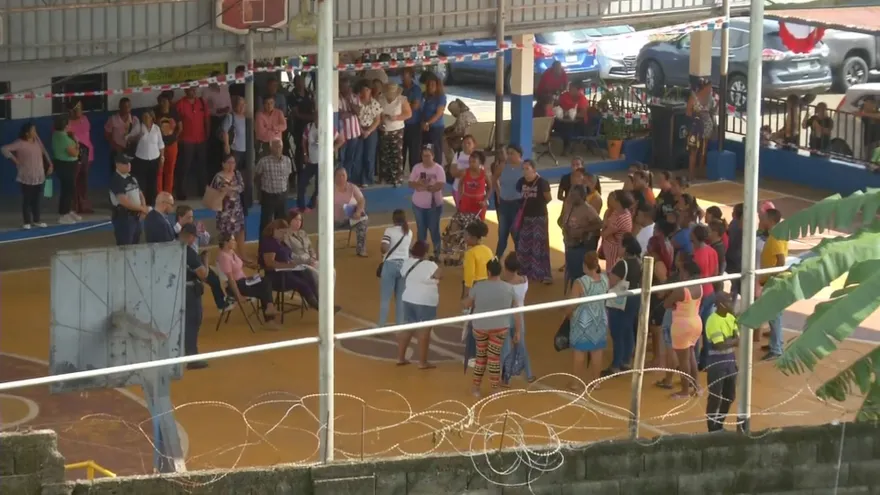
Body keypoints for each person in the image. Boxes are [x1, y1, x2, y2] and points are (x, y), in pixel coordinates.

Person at [462, 257, 521, 397]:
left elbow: (467, 304)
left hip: (480, 327)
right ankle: (495, 388)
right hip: (500, 328)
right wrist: (517, 331)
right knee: (494, 358)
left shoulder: (478, 287)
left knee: (480, 358)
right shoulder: (509, 288)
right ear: (499, 272)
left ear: (488, 272)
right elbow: (516, 312)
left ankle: (476, 387)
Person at [567, 251, 609, 391]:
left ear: (584, 265)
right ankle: (596, 382)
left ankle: (576, 383)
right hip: (600, 319)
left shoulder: (580, 282)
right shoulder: (604, 279)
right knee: (597, 351)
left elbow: (572, 304)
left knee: (579, 352)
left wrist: (566, 314)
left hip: (582, 321)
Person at [397, 240, 442, 369]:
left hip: (408, 298)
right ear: (426, 253)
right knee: (424, 331)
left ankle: (400, 357)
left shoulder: (406, 262)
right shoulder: (430, 264)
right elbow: (440, 275)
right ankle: (422, 362)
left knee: (408, 327)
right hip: (426, 301)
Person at [175, 205, 229, 311]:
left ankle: (221, 304)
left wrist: (203, 232)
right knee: (208, 277)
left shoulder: (193, 228)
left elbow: (204, 241)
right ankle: (221, 304)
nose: (191, 219)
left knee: (214, 279)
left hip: (195, 258)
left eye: (192, 217)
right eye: (189, 217)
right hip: (188, 263)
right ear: (180, 218)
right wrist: (205, 261)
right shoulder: (175, 231)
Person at [664, 254, 703, 398]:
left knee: (683, 360)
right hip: (696, 322)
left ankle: (685, 391)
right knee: (691, 356)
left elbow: (667, 303)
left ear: (686, 273)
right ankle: (696, 386)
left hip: (682, 325)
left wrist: (675, 304)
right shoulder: (699, 287)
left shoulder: (682, 289)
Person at [603, 234, 643, 376]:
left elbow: (612, 282)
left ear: (626, 248)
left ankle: (616, 365)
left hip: (620, 300)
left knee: (617, 332)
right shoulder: (639, 261)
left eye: (620, 245)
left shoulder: (622, 264)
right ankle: (626, 360)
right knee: (628, 330)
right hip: (634, 299)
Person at [217, 233, 279, 322]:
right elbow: (231, 279)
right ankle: (269, 315)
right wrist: (238, 296)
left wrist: (251, 266)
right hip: (236, 285)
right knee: (264, 288)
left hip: (244, 281)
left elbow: (238, 264)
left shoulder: (231, 252)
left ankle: (269, 310)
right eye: (233, 240)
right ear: (226, 243)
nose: (235, 242)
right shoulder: (224, 257)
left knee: (265, 280)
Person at [259, 219, 319, 309]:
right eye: (282, 232)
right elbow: (270, 263)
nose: (284, 235)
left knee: (308, 274)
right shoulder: (269, 242)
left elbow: (286, 255)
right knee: (302, 283)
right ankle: (318, 306)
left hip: (288, 272)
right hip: (277, 276)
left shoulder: (280, 241)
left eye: (285, 232)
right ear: (275, 230)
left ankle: (319, 301)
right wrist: (288, 265)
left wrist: (291, 262)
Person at [2, 122, 52, 229]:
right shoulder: (19, 143)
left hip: (39, 174)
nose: (35, 132)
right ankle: (27, 221)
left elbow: (44, 151)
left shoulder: (37, 141)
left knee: (36, 199)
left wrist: (50, 164)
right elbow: (4, 149)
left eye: (35, 130)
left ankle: (37, 220)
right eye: (33, 130)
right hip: (26, 176)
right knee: (27, 200)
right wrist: (15, 161)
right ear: (27, 133)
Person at [705, 292, 738, 432]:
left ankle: (719, 424)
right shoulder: (713, 321)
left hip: (730, 362)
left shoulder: (731, 318)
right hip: (716, 363)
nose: (731, 304)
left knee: (730, 396)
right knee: (715, 397)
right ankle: (712, 428)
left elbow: (737, 339)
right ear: (720, 304)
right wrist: (733, 341)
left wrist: (730, 341)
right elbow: (719, 345)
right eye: (728, 301)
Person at [499, 252, 535, 386]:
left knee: (505, 348)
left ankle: (505, 378)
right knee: (522, 345)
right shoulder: (524, 280)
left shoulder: (503, 284)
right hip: (520, 315)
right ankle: (529, 373)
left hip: (506, 317)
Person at [516, 160, 553, 283]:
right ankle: (525, 271)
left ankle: (542, 274)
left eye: (527, 168)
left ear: (533, 169)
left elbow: (548, 198)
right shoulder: (521, 182)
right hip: (526, 217)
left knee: (539, 245)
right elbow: (519, 196)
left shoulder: (542, 183)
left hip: (539, 217)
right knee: (524, 244)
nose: (525, 171)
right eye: (523, 168)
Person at [178, 223, 209, 370]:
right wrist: (206, 261)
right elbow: (203, 274)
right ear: (190, 236)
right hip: (190, 291)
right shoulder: (189, 252)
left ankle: (183, 353)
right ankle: (192, 356)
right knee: (192, 321)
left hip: (175, 288)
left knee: (182, 323)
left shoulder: (172, 246)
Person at [561, 184, 603, 293]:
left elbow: (599, 224)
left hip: (580, 246)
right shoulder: (569, 205)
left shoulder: (588, 209)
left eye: (574, 195)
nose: (571, 197)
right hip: (570, 244)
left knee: (579, 274)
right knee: (572, 272)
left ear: (582, 196)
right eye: (571, 194)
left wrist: (584, 229)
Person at [760, 208, 788, 360]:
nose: (761, 220)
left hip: (774, 282)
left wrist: (772, 278)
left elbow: (781, 260)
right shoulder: (776, 235)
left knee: (774, 315)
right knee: (774, 315)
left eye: (763, 218)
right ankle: (775, 343)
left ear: (770, 221)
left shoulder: (776, 238)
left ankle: (776, 349)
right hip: (774, 280)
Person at [300, 113, 344, 211]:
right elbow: (303, 141)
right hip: (312, 161)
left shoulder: (329, 128)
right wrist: (305, 154)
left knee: (318, 185)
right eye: (317, 118)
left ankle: (311, 205)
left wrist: (333, 148)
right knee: (302, 182)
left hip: (324, 162)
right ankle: (301, 206)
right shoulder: (309, 127)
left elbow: (341, 139)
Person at [409, 145, 446, 257]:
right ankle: (421, 254)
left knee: (434, 229)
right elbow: (410, 183)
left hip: (434, 206)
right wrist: (418, 184)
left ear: (433, 156)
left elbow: (440, 185)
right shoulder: (417, 168)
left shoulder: (438, 169)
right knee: (421, 230)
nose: (425, 158)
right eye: (424, 155)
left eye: (428, 155)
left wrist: (428, 187)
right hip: (418, 205)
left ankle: (437, 253)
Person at [378, 209, 413, 326]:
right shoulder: (409, 232)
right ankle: (400, 325)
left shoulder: (389, 231)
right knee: (400, 299)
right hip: (404, 266)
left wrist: (382, 249)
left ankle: (381, 326)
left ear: (393, 219)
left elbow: (384, 248)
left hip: (390, 265)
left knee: (385, 299)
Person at [174, 86, 210, 200]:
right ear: (185, 90)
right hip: (186, 140)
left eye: (195, 89)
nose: (193, 91)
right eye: (190, 89)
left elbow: (207, 119)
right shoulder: (180, 104)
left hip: (201, 139)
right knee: (184, 167)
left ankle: (202, 191)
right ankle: (180, 191)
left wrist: (207, 134)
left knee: (202, 167)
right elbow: (175, 122)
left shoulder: (202, 102)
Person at [254, 139, 293, 234]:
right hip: (268, 196)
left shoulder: (287, 161)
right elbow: (257, 178)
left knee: (283, 223)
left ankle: (282, 246)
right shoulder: (264, 161)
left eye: (279, 146)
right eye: (275, 146)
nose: (278, 149)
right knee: (266, 223)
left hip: (282, 196)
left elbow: (287, 178)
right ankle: (264, 246)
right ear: (271, 148)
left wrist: (285, 193)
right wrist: (260, 193)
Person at [109, 155, 148, 246]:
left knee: (135, 243)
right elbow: (124, 202)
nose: (129, 165)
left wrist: (143, 207)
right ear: (117, 165)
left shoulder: (132, 177)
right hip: (124, 218)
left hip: (136, 217)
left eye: (129, 163)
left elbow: (140, 194)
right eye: (125, 163)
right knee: (125, 246)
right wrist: (142, 209)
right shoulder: (116, 180)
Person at [129, 110, 165, 207]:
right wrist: (138, 137)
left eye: (147, 117)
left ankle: (151, 203)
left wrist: (162, 157)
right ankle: (140, 203)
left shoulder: (156, 128)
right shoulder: (139, 127)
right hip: (141, 160)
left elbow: (161, 144)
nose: (145, 119)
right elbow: (129, 138)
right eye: (143, 117)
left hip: (154, 159)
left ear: (151, 118)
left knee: (152, 182)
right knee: (141, 183)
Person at [211, 154, 246, 251]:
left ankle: (241, 254)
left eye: (233, 163)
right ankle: (225, 254)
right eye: (229, 163)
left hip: (237, 209)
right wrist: (224, 190)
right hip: (224, 211)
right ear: (223, 164)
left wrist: (231, 188)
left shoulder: (237, 174)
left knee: (240, 231)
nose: (231, 165)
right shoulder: (218, 176)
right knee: (226, 234)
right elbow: (214, 190)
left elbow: (242, 187)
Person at [380, 82, 412, 186]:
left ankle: (397, 178)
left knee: (396, 154)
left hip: (397, 129)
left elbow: (408, 113)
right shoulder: (381, 98)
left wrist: (396, 117)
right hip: (384, 129)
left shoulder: (402, 99)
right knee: (384, 154)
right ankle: (385, 177)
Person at [493, 145, 523, 257]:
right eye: (508, 153)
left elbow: (536, 180)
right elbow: (494, 178)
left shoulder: (524, 167)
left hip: (518, 204)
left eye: (512, 153)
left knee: (517, 235)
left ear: (519, 154)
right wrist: (498, 192)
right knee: (502, 234)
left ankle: (520, 261)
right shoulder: (503, 166)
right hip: (504, 204)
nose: (509, 156)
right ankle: (497, 259)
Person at [52, 115, 81, 225]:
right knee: (67, 190)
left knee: (67, 189)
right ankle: (63, 215)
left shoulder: (56, 134)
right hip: (66, 166)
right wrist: (77, 144)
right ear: (65, 126)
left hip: (63, 165)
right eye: (69, 124)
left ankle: (67, 211)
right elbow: (74, 153)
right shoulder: (64, 138)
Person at [333, 167, 368, 257]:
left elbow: (361, 200)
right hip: (333, 221)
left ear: (347, 176)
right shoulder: (329, 188)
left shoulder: (352, 187)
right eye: (339, 176)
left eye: (343, 175)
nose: (341, 178)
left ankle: (361, 249)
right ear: (334, 177)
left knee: (363, 220)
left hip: (350, 219)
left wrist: (358, 212)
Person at [686, 78, 716, 180]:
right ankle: (691, 174)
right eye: (709, 87)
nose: (710, 90)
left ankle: (700, 172)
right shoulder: (694, 97)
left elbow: (712, 111)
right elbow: (688, 112)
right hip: (695, 127)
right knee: (693, 150)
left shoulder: (710, 98)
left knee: (703, 150)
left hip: (707, 127)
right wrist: (696, 116)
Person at [203, 73, 233, 176]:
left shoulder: (225, 88)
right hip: (214, 120)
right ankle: (214, 176)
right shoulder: (206, 91)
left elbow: (230, 105)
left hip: (226, 119)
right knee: (214, 149)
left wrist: (226, 109)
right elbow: (206, 109)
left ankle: (226, 175)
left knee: (226, 148)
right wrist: (217, 110)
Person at [67, 100, 94, 214]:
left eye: (80, 107)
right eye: (77, 108)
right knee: (73, 182)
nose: (79, 110)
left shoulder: (85, 119)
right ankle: (74, 207)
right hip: (73, 155)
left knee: (83, 182)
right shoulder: (66, 123)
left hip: (87, 154)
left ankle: (84, 206)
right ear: (71, 110)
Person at [355, 81, 383, 186]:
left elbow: (377, 120)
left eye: (367, 89)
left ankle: (367, 179)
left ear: (371, 91)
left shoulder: (375, 103)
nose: (365, 92)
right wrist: (361, 130)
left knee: (369, 156)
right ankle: (357, 179)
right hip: (359, 129)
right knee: (358, 155)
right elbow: (355, 117)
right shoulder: (357, 103)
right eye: (363, 90)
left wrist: (369, 131)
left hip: (371, 130)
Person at [155, 91, 181, 194]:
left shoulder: (173, 111)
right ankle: (159, 194)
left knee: (170, 170)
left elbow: (180, 127)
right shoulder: (155, 111)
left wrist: (175, 138)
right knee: (159, 171)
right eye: (161, 101)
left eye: (166, 101)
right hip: (159, 146)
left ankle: (168, 194)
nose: (163, 103)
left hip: (172, 145)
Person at [601, 190, 634, 271]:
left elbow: (604, 233)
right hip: (611, 247)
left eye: (613, 198)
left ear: (618, 202)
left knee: (612, 271)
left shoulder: (620, 218)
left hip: (615, 250)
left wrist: (605, 226)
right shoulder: (618, 212)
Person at [289, 75, 316, 175]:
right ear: (295, 83)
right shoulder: (293, 96)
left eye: (302, 81)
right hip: (299, 126)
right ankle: (300, 174)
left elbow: (314, 105)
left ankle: (309, 171)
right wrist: (311, 117)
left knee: (311, 147)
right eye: (298, 82)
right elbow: (297, 114)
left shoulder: (309, 93)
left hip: (311, 126)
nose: (300, 84)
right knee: (300, 150)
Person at [104, 97, 138, 175]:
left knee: (129, 175)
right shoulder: (113, 119)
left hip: (130, 152)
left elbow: (138, 136)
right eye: (124, 106)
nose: (127, 108)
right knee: (117, 175)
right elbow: (107, 135)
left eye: (129, 106)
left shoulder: (134, 120)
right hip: (117, 152)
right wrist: (116, 146)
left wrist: (132, 140)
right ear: (120, 107)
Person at [338, 78, 363, 177]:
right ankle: (339, 178)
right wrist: (352, 113)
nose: (346, 89)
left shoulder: (355, 97)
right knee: (341, 159)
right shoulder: (337, 98)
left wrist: (349, 101)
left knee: (351, 158)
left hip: (354, 134)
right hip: (342, 135)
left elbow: (358, 112)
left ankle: (347, 178)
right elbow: (340, 115)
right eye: (343, 87)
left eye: (347, 87)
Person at [556, 82, 590, 155]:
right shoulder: (565, 96)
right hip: (564, 120)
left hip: (579, 123)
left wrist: (571, 113)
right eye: (569, 89)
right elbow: (557, 105)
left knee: (568, 128)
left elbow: (582, 114)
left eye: (572, 89)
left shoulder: (582, 99)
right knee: (556, 123)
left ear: (578, 90)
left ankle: (567, 146)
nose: (570, 90)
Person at [401, 68, 423, 169]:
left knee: (414, 152)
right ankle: (399, 174)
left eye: (406, 76)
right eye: (402, 76)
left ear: (411, 77)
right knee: (401, 151)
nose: (403, 79)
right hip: (401, 124)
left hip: (414, 124)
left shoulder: (416, 89)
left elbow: (416, 106)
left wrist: (403, 105)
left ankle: (415, 173)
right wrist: (408, 104)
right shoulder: (399, 89)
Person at [457, 150, 489, 220]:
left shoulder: (485, 174)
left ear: (480, 162)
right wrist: (461, 196)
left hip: (479, 204)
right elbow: (460, 184)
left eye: (474, 162)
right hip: (466, 203)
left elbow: (490, 187)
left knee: (478, 226)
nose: (471, 164)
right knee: (465, 225)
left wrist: (485, 200)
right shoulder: (465, 172)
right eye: (470, 162)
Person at [443, 99, 477, 165]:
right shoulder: (469, 113)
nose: (452, 114)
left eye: (452, 112)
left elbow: (458, 132)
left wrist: (448, 135)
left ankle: (451, 162)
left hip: (464, 141)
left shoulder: (461, 116)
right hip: (473, 140)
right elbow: (456, 125)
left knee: (444, 140)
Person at [421, 74, 447, 156]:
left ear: (437, 85)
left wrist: (428, 123)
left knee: (436, 150)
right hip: (425, 128)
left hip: (436, 128)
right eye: (428, 85)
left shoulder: (441, 97)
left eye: (433, 85)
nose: (430, 87)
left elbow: (438, 113)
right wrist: (423, 122)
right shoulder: (425, 95)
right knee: (426, 149)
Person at [450, 135, 477, 205]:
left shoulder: (477, 156)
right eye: (464, 143)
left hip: (472, 190)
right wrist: (465, 172)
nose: (466, 145)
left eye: (469, 143)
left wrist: (462, 173)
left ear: (474, 145)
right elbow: (453, 172)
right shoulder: (458, 155)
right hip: (457, 188)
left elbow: (478, 173)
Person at [727, 203, 744, 302]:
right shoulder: (739, 226)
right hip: (737, 259)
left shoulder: (733, 224)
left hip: (732, 258)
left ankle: (732, 304)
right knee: (737, 285)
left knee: (735, 285)